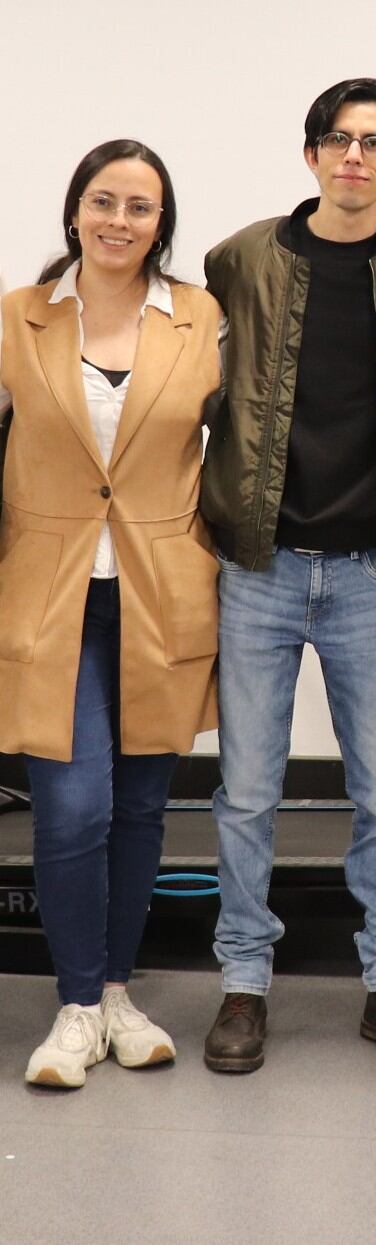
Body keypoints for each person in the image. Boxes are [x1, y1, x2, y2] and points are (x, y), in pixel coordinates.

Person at [200, 79, 376, 1073]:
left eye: (375, 143)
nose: (354, 156)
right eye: (337, 139)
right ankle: (243, 984)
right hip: (260, 568)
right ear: (312, 153)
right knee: (244, 793)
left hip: (372, 572)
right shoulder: (240, 259)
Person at [0, 141, 220, 1086]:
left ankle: (120, 994)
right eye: (104, 201)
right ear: (75, 209)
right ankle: (76, 1006)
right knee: (71, 807)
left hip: (162, 590)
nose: (120, 220)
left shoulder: (202, 318)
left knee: (138, 809)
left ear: (161, 222)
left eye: (140, 206)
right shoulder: (19, 316)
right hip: (48, 588)